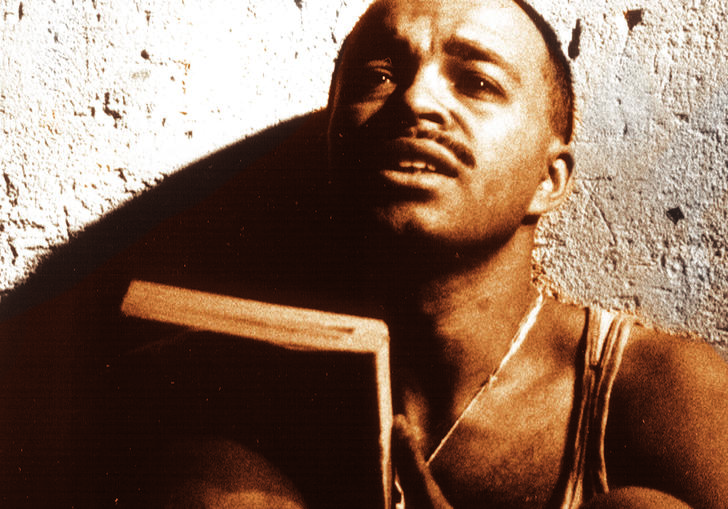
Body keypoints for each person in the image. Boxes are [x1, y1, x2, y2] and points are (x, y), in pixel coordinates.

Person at [324, 0, 728, 508]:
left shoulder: (668, 391)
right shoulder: (272, 388)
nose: (415, 100)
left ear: (548, 179)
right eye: (378, 77)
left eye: (477, 83)